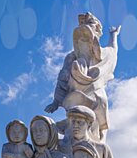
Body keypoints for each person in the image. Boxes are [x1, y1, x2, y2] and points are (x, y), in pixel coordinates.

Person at [45, 12, 120, 142]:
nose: (83, 42)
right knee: (73, 127)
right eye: (80, 39)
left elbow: (113, 50)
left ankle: (97, 148)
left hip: (96, 97)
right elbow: (62, 79)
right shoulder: (72, 58)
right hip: (76, 97)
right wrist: (56, 101)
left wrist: (114, 35)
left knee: (95, 129)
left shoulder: (104, 55)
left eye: (87, 38)